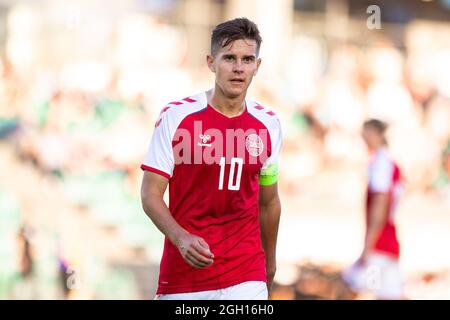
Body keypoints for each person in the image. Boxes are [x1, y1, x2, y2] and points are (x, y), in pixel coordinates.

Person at [140, 17, 282, 300]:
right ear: (211, 62)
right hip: (186, 277)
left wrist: (270, 261)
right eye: (229, 58)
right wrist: (180, 238)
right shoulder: (177, 117)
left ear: (257, 66)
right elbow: (150, 194)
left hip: (246, 272)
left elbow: (269, 202)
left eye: (247, 59)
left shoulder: (269, 125)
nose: (239, 68)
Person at [343, 119, 404, 299]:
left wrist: (368, 246)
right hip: (389, 243)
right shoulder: (389, 163)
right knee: (390, 293)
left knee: (363, 287)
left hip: (379, 246)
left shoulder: (381, 163)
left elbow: (381, 204)